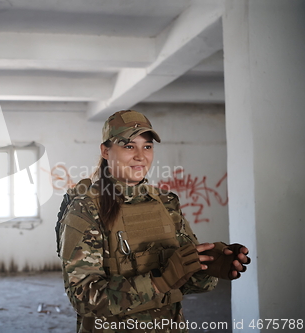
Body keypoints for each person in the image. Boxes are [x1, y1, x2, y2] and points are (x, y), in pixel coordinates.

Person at [56, 110, 250, 333]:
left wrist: (209, 267)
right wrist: (159, 282)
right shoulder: (86, 209)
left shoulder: (165, 203)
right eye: (129, 146)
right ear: (105, 151)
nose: (141, 156)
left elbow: (184, 280)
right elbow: (83, 298)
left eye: (147, 146)